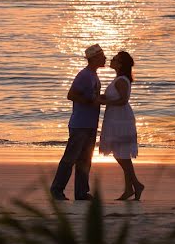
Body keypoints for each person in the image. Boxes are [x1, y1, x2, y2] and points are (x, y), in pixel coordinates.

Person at [50, 44, 106, 201]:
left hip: (90, 124)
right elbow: (71, 95)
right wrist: (90, 101)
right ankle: (56, 190)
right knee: (70, 158)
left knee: (85, 160)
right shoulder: (84, 75)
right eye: (102, 56)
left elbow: (94, 97)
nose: (105, 58)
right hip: (80, 124)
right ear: (94, 58)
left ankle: (81, 193)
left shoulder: (93, 75)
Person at [98, 51, 144, 201]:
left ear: (120, 64)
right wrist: (99, 98)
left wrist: (103, 102)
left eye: (115, 59)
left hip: (120, 119)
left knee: (121, 154)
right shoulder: (118, 79)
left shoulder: (121, 80)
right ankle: (129, 188)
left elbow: (123, 100)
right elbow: (115, 97)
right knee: (121, 153)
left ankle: (135, 185)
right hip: (115, 117)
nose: (111, 60)